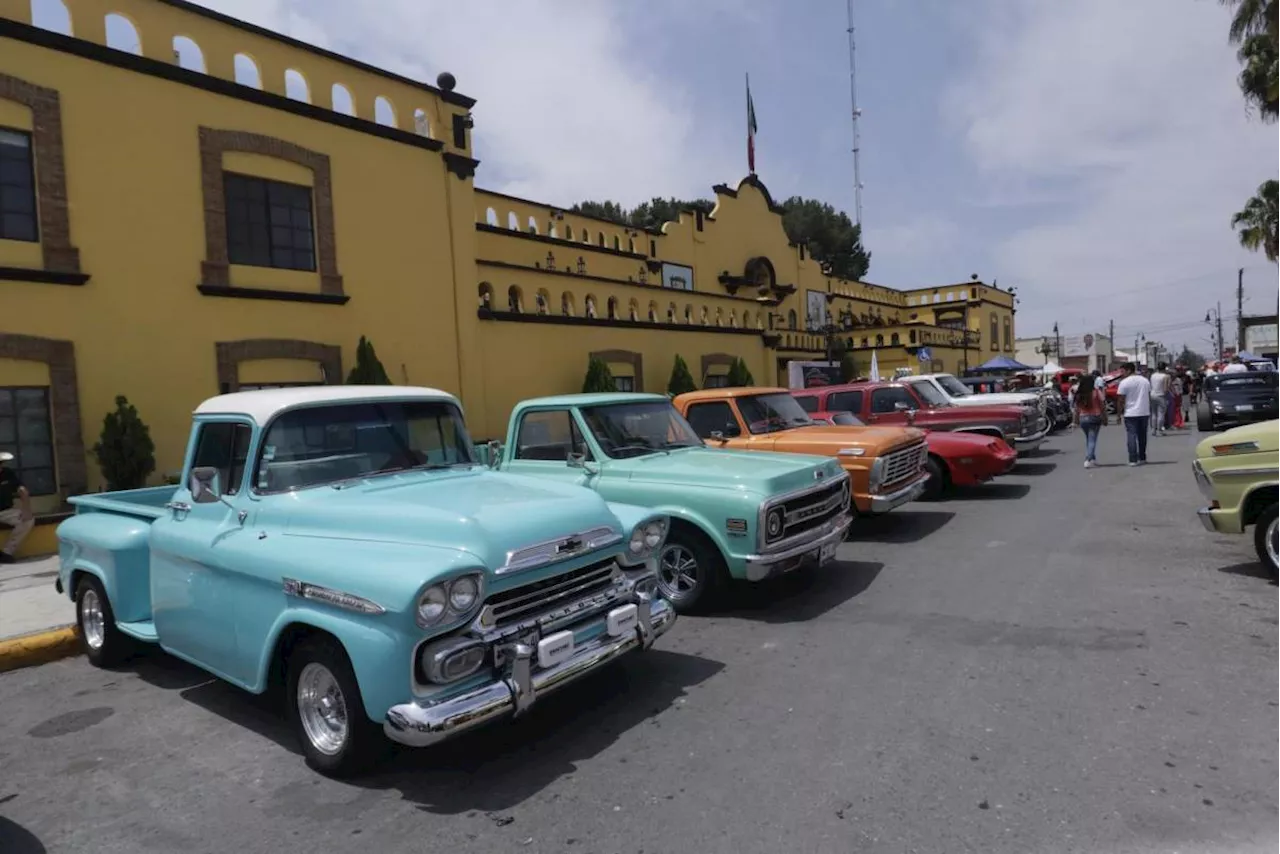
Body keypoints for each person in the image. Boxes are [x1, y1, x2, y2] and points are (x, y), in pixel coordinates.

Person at [0, 451, 33, 564]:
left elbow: (22, 490)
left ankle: (7, 552)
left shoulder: (7, 473)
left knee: (27, 520)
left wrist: (26, 509)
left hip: (6, 511)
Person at [1116, 362, 1151, 466]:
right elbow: (1148, 395)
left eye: (1123, 371)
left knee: (1131, 435)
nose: (1122, 374)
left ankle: (1133, 459)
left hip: (1130, 413)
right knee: (1142, 436)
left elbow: (1120, 400)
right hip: (1144, 411)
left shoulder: (1124, 382)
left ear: (1129, 370)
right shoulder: (1145, 381)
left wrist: (1118, 415)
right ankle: (1142, 457)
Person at [1073, 374, 1107, 468]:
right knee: (1092, 439)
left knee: (1089, 439)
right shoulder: (1096, 392)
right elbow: (1102, 406)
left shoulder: (1079, 393)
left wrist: (1076, 421)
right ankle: (1088, 459)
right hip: (1095, 417)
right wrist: (1105, 418)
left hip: (1083, 418)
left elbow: (1076, 409)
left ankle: (1092, 459)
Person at [1149, 362, 1170, 436]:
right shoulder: (1166, 376)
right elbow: (1166, 388)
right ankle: (1159, 430)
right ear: (1164, 368)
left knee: (1154, 413)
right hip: (1161, 395)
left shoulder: (1153, 375)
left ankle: (1153, 430)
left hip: (1152, 395)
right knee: (1161, 413)